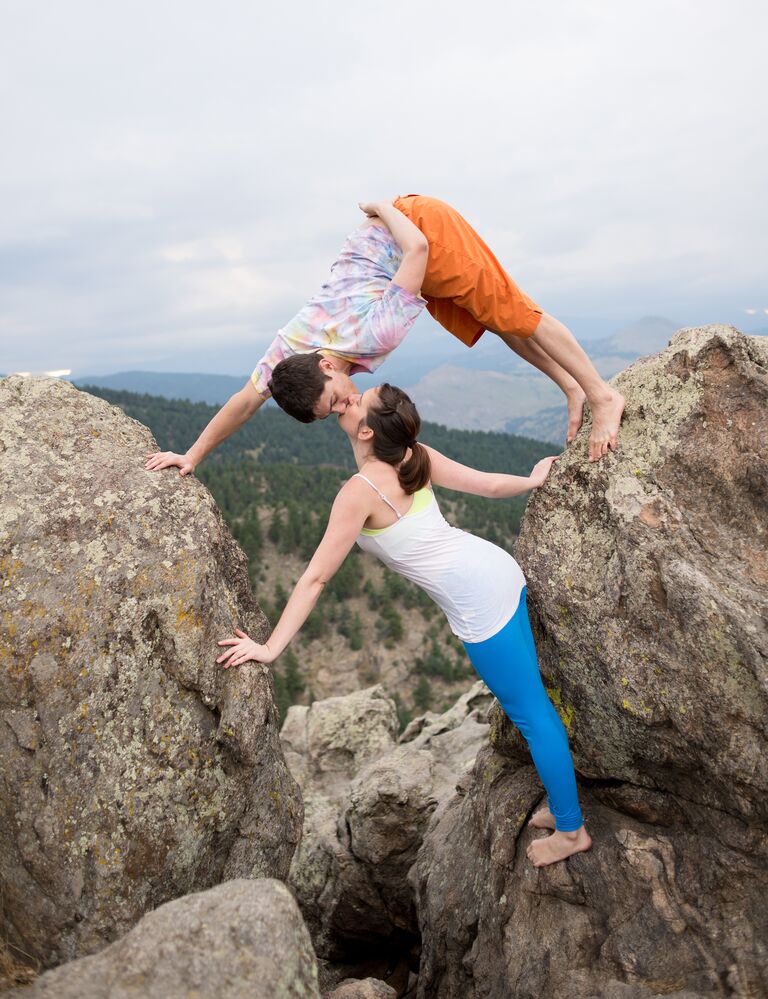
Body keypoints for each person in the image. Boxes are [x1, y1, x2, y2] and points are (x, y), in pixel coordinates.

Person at [216, 382, 592, 868]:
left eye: (356, 401)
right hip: (498, 573)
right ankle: (563, 806)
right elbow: (489, 485)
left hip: (481, 605)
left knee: (533, 716)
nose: (347, 399)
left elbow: (315, 578)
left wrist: (269, 649)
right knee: (534, 703)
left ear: (368, 430)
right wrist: (530, 479)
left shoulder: (361, 492)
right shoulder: (414, 454)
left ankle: (571, 829)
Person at [145, 196, 624, 479]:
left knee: (515, 311)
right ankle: (572, 386)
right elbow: (244, 403)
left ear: (328, 367)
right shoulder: (292, 356)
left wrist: (382, 205)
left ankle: (602, 395)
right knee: (496, 322)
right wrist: (191, 456)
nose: (341, 410)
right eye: (330, 413)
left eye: (334, 401)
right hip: (397, 262)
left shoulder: (376, 330)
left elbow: (416, 246)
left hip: (418, 230)